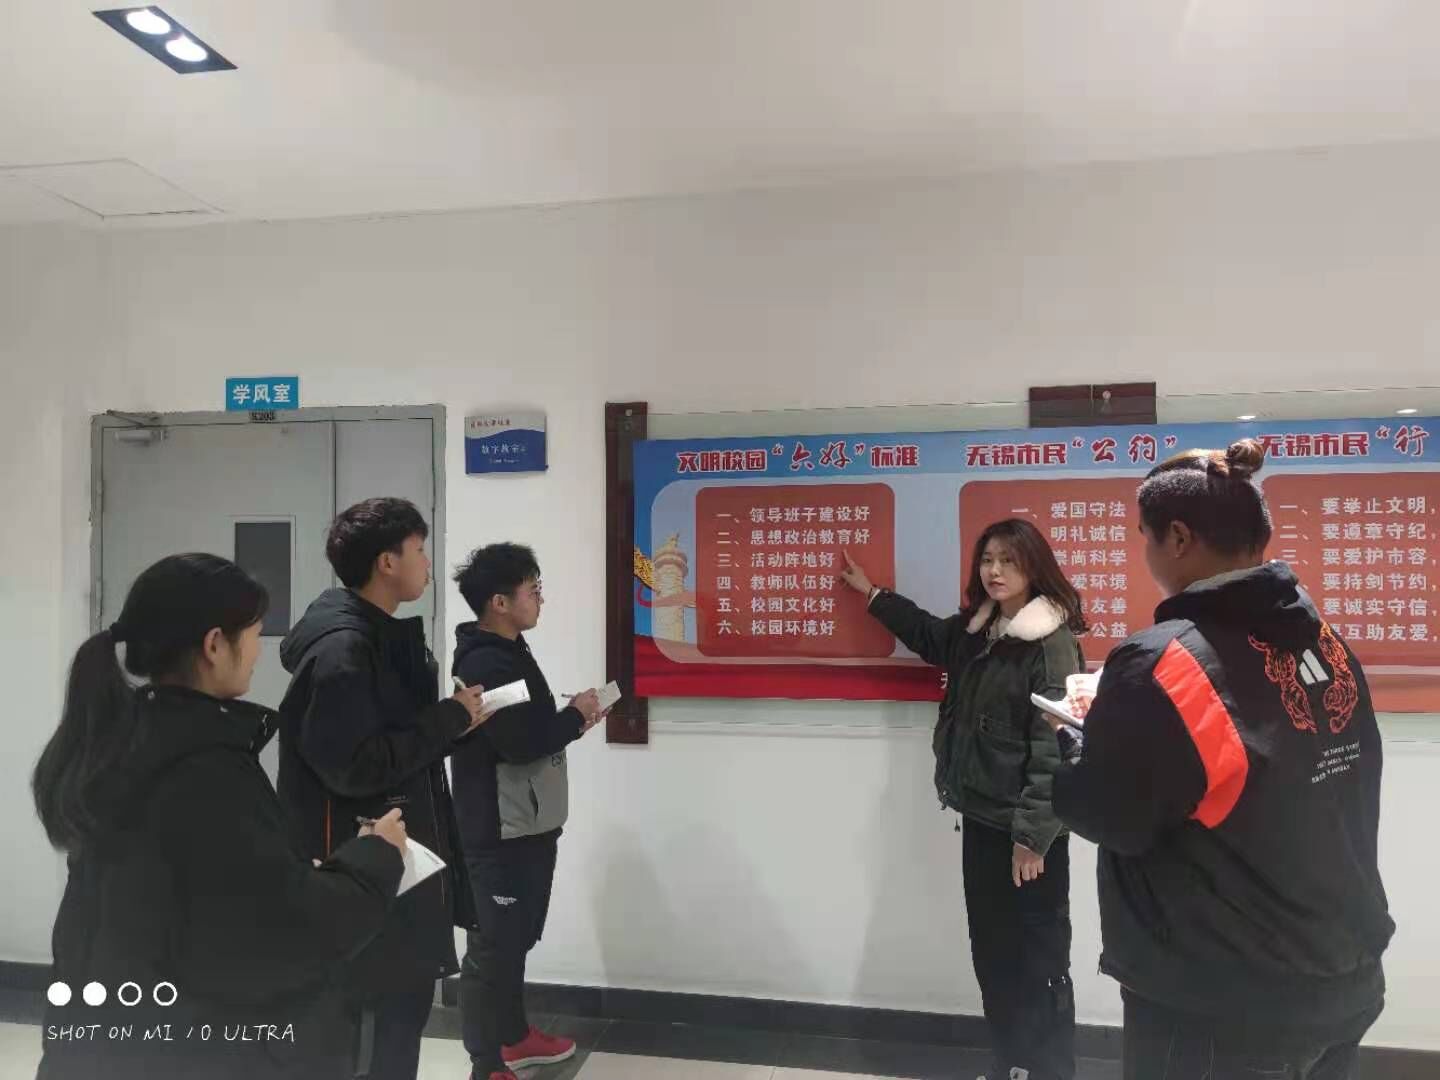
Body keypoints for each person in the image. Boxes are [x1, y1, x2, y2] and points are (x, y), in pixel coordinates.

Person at [1050, 439, 1395, 1080]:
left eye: (1146, 537)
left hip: (1222, 1004)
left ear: (1178, 538)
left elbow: (1110, 815)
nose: (1146, 552)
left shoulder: (1165, 661)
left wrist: (1076, 740)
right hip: (1344, 974)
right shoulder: (1326, 643)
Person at [33, 553, 410, 1080]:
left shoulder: (121, 746)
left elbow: (197, 896)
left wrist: (288, 871)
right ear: (215, 645)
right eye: (254, 634)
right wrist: (376, 856)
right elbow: (288, 934)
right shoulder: (207, 772)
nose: (258, 651)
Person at [841, 519, 1087, 1080]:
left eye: (1008, 560)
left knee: (1039, 961)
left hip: (1029, 837)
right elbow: (929, 635)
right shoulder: (981, 630)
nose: (995, 571)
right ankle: (1008, 1066)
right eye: (988, 560)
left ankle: (1047, 1071)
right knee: (994, 956)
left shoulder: (1050, 642)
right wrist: (872, 594)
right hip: (982, 819)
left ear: (1033, 567)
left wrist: (1032, 838)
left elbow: (1055, 750)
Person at [277, 498, 489, 1080]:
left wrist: (455, 722)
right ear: (386, 562)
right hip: (365, 882)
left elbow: (395, 744)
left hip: (395, 874)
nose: (428, 563)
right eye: (419, 550)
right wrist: (446, 718)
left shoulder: (380, 638)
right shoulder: (343, 650)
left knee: (398, 1024)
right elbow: (354, 766)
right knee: (377, 1038)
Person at [449, 543, 605, 1080]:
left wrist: (573, 716)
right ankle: (486, 1063)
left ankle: (514, 1037)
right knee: (492, 948)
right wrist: (575, 717)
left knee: (515, 939)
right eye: (532, 590)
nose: (540, 599)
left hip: (527, 821)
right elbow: (518, 744)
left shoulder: (510, 650)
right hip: (498, 827)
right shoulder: (484, 663)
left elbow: (525, 728)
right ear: (499, 602)